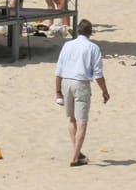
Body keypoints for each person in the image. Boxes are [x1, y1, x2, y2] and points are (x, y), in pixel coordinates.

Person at [55, 19, 108, 166]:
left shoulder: (67, 45)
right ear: (90, 32)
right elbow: (98, 74)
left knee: (72, 119)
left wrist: (58, 91)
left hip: (66, 81)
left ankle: (77, 153)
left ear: (78, 30)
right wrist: (105, 91)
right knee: (82, 122)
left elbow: (59, 70)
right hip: (81, 83)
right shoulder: (93, 48)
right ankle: (75, 157)